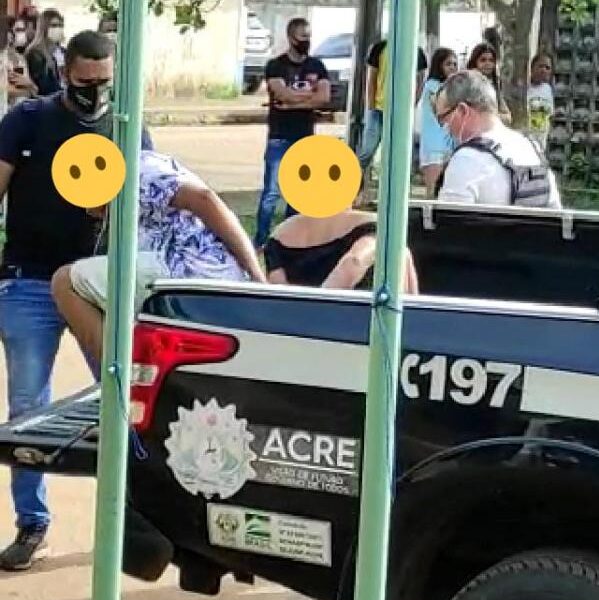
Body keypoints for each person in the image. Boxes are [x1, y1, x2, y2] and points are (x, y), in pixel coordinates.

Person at [0, 30, 130, 571]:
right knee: (28, 410)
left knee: (123, 403)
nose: (94, 92)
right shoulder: (27, 121)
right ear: (65, 73)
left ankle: (133, 520)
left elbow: (150, 203)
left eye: (104, 82)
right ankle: (32, 524)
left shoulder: (125, 127)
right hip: (29, 281)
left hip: (94, 285)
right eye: (84, 81)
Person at [52, 150, 266, 367]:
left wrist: (256, 276)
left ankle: (121, 378)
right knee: (96, 293)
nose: (89, 211)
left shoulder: (140, 172)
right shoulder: (134, 178)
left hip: (189, 269)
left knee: (64, 282)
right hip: (188, 275)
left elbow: (205, 199)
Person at [253, 17, 330, 250]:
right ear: (290, 37)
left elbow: (324, 97)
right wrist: (306, 98)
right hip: (279, 136)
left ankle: (290, 240)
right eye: (302, 37)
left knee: (298, 192)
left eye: (309, 37)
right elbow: (281, 93)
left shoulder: (317, 66)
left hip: (304, 136)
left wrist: (292, 103)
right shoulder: (276, 65)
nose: (306, 41)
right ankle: (262, 240)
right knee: (271, 192)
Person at [434, 70, 561, 209]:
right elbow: (557, 213)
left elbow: (448, 220)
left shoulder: (466, 159)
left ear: (462, 111)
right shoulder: (533, 149)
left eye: (443, 119)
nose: (445, 128)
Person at [264, 186, 419, 293]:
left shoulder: (280, 234)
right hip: (355, 321)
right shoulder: (374, 225)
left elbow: (278, 287)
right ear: (357, 195)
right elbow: (353, 263)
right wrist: (320, 306)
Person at [358, 38, 428, 172]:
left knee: (397, 149)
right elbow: (371, 79)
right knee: (368, 149)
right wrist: (370, 106)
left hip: (401, 111)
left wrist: (412, 104)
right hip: (378, 108)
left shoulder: (416, 51)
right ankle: (355, 176)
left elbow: (421, 81)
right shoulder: (379, 48)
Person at [420, 48, 457, 197]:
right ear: (439, 65)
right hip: (434, 145)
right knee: (432, 192)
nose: (453, 67)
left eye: (455, 64)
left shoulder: (450, 88)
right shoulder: (432, 86)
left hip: (449, 144)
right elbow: (440, 108)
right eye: (448, 64)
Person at [467, 42, 511, 125]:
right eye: (483, 60)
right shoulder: (466, 85)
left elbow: (508, 117)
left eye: (491, 60)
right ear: (475, 62)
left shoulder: (494, 86)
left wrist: (491, 116)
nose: (488, 63)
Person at [25, 8, 66, 97]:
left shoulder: (64, 52)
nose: (58, 29)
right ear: (44, 27)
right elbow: (43, 87)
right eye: (54, 25)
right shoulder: (35, 54)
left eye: (60, 25)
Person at [7, 18, 38, 107]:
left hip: (24, 109)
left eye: (23, 30)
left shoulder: (21, 58)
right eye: (18, 30)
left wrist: (30, 86)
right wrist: (28, 90)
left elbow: (34, 89)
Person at [528, 52, 554, 150]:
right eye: (540, 66)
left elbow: (549, 114)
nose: (544, 70)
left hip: (541, 141)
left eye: (547, 68)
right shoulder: (524, 88)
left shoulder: (547, 89)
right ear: (532, 68)